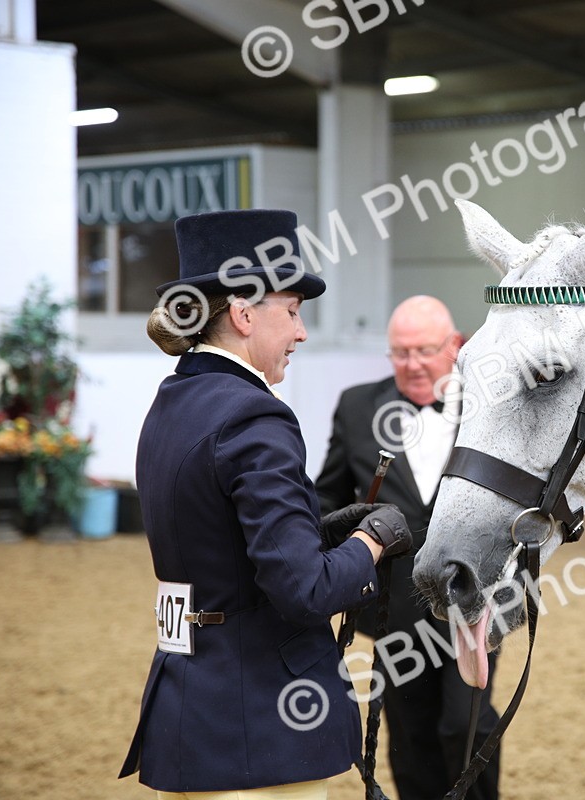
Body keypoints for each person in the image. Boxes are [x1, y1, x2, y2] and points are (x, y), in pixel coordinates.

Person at [119, 208, 412, 800]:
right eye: (293, 310)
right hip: (262, 728)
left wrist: (321, 531)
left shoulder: (171, 403)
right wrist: (372, 541)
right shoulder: (256, 415)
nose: (301, 332)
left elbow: (229, 549)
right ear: (244, 312)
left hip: (187, 712)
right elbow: (304, 591)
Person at [315, 295, 501, 800]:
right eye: (400, 352)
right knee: (408, 733)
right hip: (391, 606)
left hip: (475, 597)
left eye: (424, 350)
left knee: (464, 724)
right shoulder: (357, 407)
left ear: (455, 346)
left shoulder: (494, 404)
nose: (412, 363)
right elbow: (328, 495)